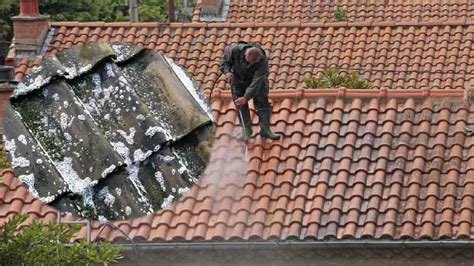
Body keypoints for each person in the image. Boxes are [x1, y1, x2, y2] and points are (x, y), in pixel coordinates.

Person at [219, 41, 281, 141]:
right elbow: (224, 62)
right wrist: (227, 72)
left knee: (262, 103)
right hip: (238, 81)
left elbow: (256, 81)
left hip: (258, 83)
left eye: (254, 62)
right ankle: (246, 130)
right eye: (250, 61)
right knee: (240, 105)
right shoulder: (234, 50)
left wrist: (246, 97)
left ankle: (265, 130)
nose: (251, 64)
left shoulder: (263, 60)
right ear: (245, 54)